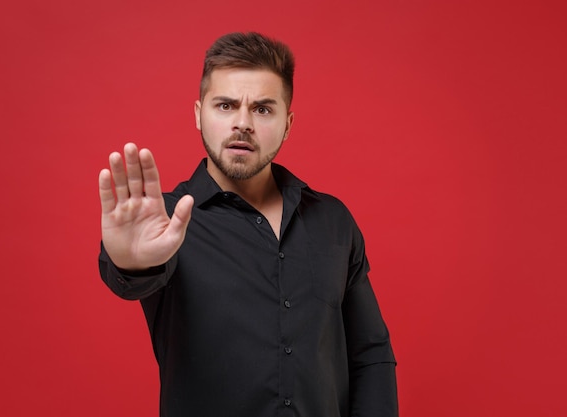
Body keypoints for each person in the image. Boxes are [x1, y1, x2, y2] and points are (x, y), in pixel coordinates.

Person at [98, 32, 398, 417]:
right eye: (225, 106)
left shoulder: (332, 220)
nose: (243, 123)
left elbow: (370, 352)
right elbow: (135, 274)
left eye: (262, 109)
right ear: (198, 114)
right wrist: (131, 262)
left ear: (287, 124)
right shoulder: (167, 221)